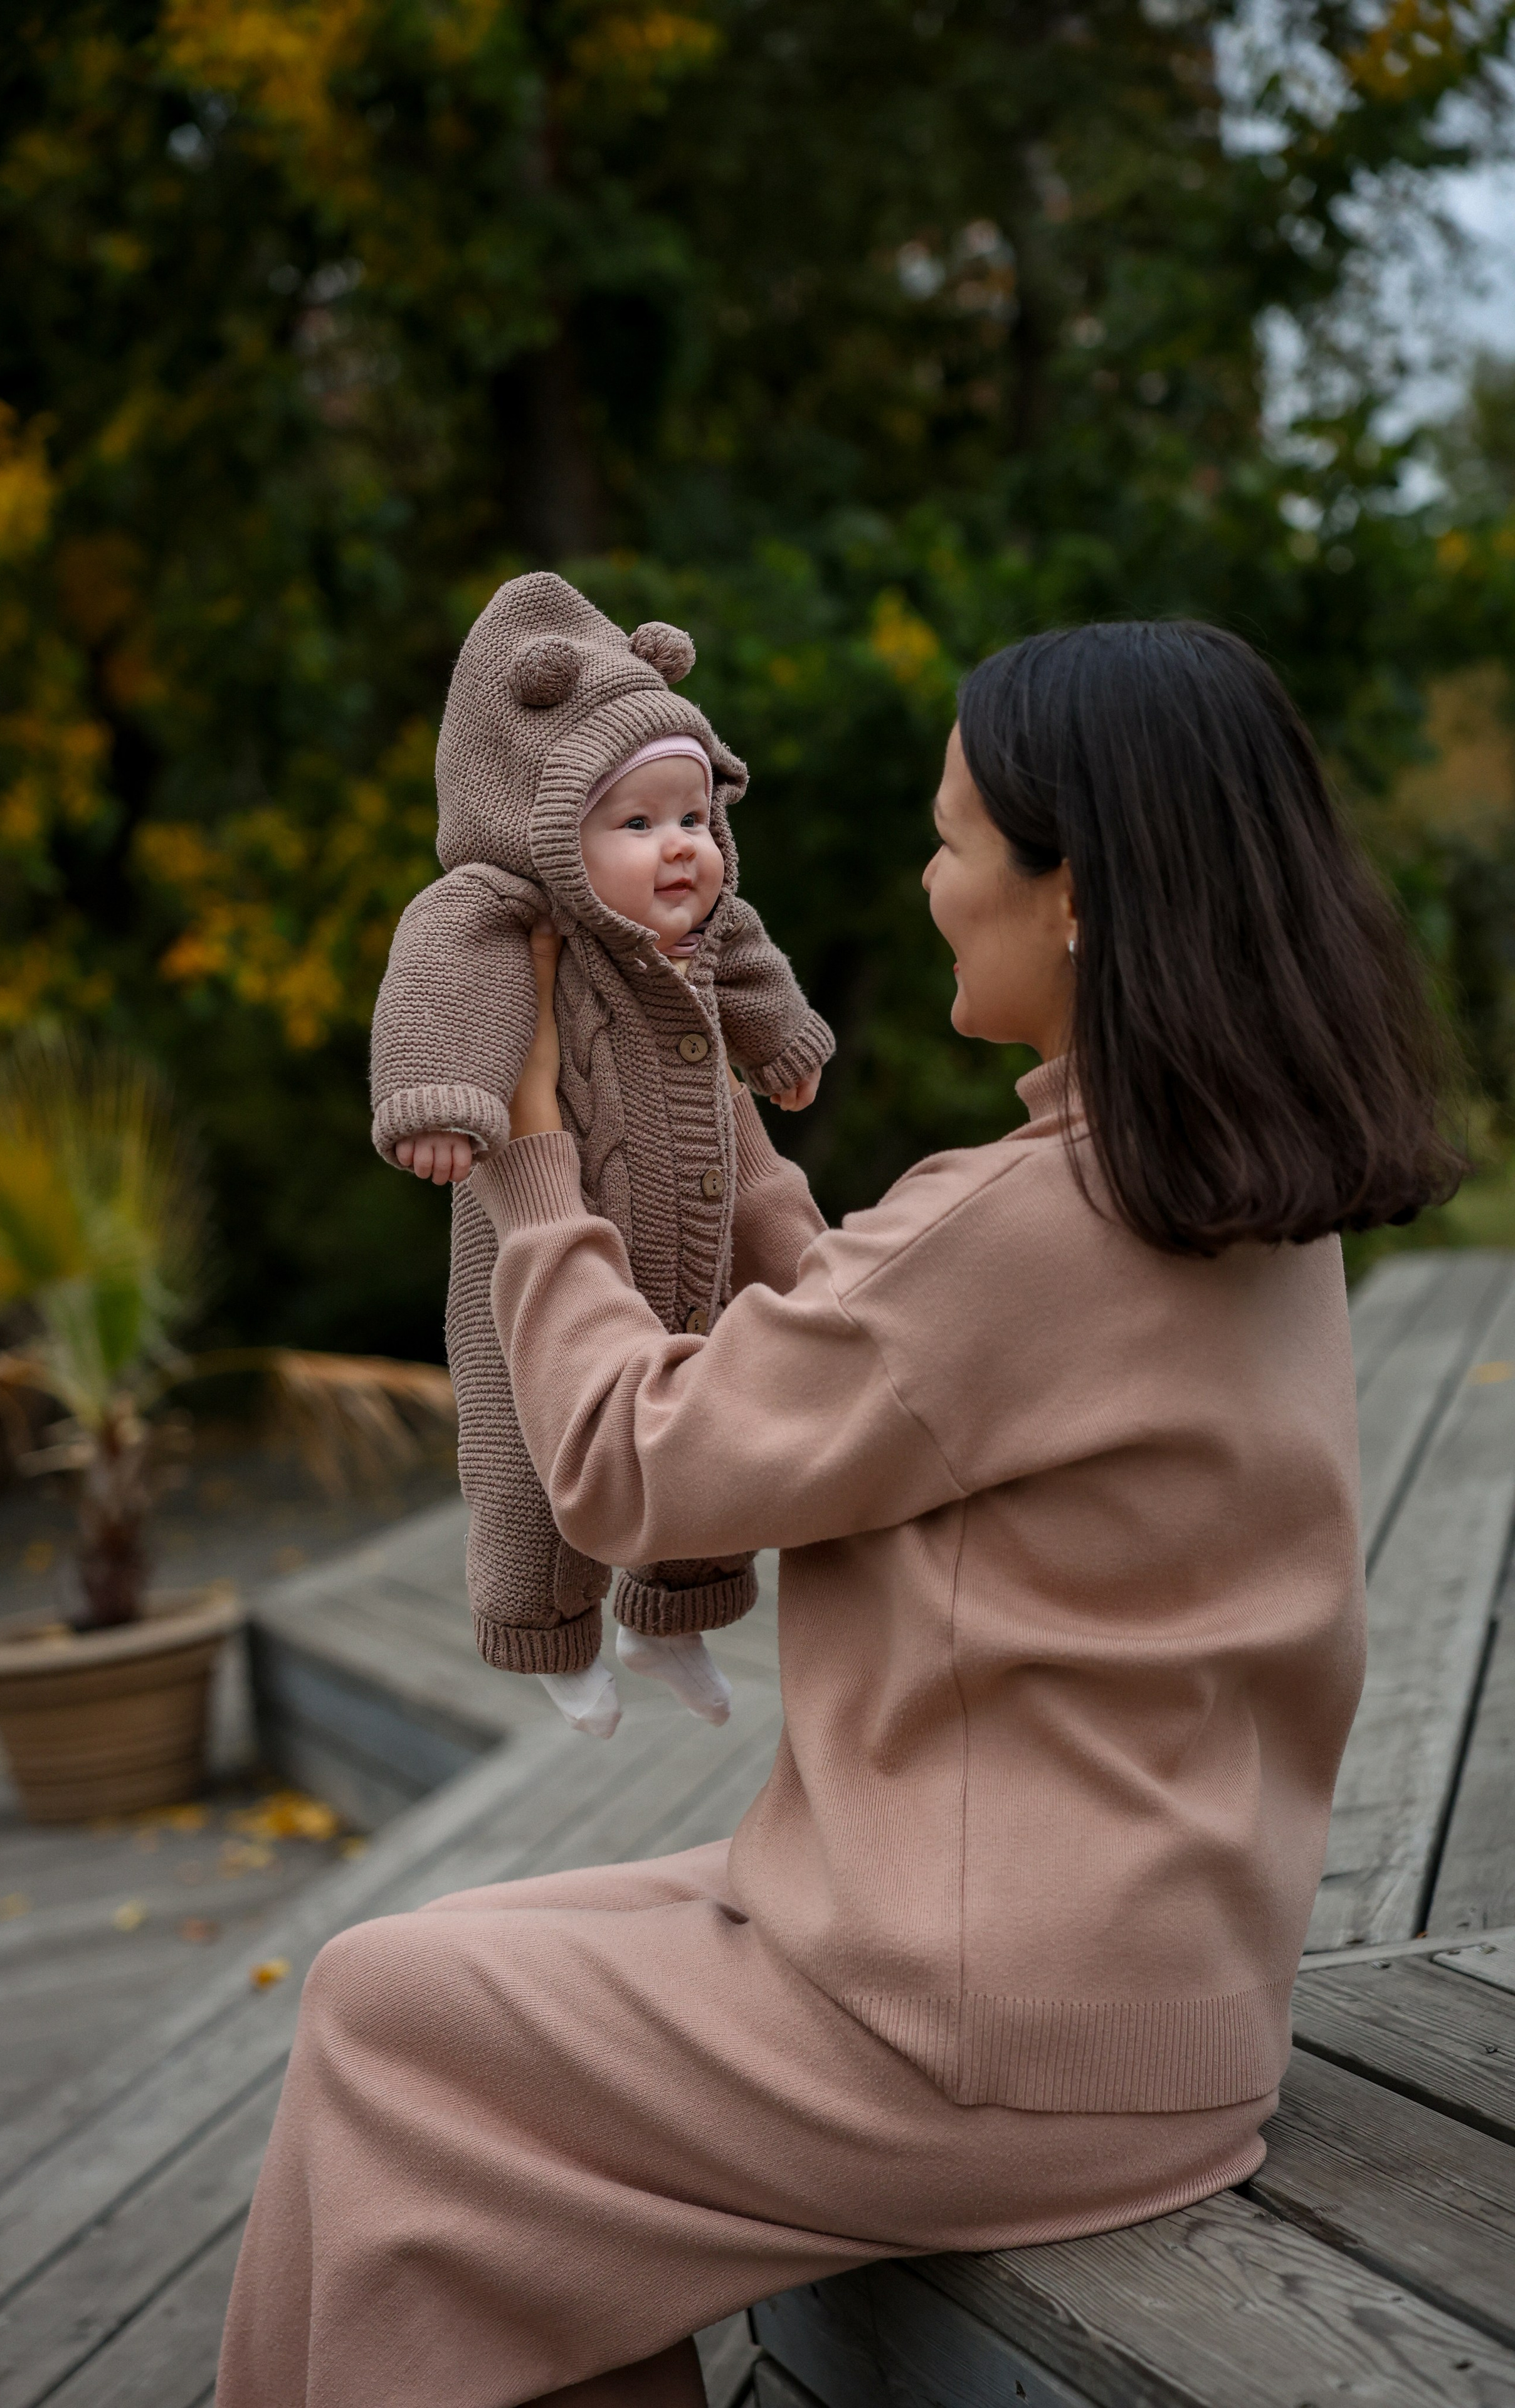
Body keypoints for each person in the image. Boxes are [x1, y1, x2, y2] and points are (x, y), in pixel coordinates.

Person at [217, 621, 1460, 2408]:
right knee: (399, 1989)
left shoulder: (1040, 1228)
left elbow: (632, 1459)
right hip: (1145, 1987)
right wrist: (722, 1135)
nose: (927, 880)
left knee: (395, 2035)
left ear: (1081, 897)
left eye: (955, 841)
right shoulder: (1226, 1190)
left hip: (990, 2041)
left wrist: (533, 1159)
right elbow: (896, 1348)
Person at [369, 570, 833, 1740]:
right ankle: (550, 1635)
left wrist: (782, 1042)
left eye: (693, 819)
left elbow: (752, 966)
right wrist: (440, 1099)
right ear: (543, 824)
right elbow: (436, 983)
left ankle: (672, 1619)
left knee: (710, 1431)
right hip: (539, 1252)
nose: (680, 850)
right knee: (533, 1466)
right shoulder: (500, 914)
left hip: (700, 1235)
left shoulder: (706, 923)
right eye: (637, 824)